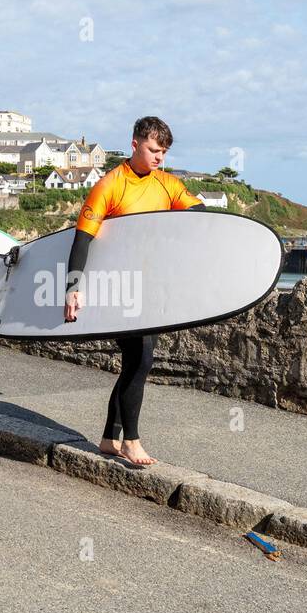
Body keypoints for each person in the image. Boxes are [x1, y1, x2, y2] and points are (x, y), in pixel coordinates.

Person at [62, 116, 205, 467]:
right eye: (155, 150)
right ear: (135, 144)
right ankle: (132, 441)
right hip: (118, 288)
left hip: (149, 288)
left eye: (164, 152)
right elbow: (82, 239)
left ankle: (110, 437)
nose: (160, 158)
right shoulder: (110, 185)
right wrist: (72, 288)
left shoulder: (168, 184)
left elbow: (200, 218)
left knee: (134, 363)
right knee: (140, 359)